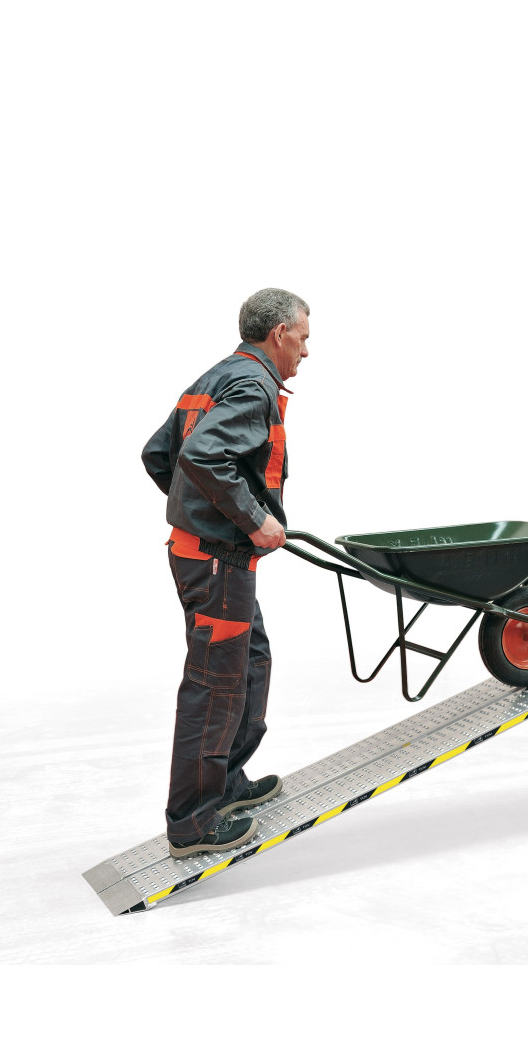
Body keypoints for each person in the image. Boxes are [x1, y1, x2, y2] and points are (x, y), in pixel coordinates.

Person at [141, 287, 309, 858]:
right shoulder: (252, 384)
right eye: (303, 337)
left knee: (250, 662)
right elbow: (202, 456)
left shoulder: (216, 376)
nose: (306, 350)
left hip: (214, 557)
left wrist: (203, 513)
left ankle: (226, 783)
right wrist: (252, 519)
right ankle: (191, 824)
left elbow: (158, 454)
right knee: (215, 685)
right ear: (279, 333)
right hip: (216, 562)